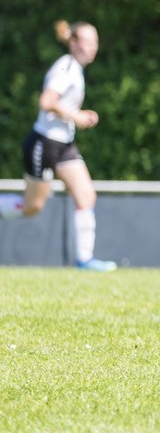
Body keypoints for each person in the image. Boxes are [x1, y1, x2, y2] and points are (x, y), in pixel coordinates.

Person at [0, 21, 117, 271]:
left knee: (86, 196)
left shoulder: (76, 69)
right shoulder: (65, 67)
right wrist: (76, 116)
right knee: (32, 207)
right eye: (88, 41)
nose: (93, 47)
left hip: (64, 145)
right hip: (43, 143)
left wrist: (79, 115)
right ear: (73, 43)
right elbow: (46, 101)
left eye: (95, 41)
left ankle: (85, 260)